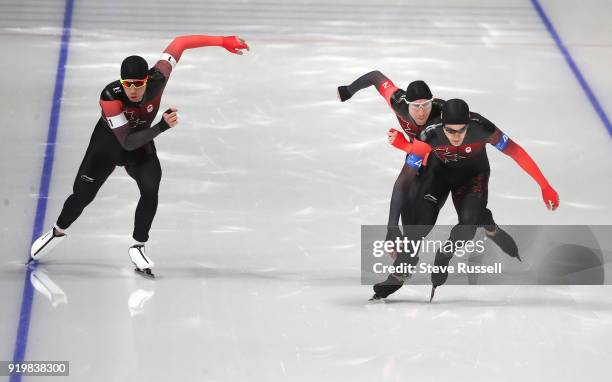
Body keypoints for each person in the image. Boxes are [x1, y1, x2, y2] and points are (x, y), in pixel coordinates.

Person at [29, 35, 250, 277]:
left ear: (147, 79)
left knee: (151, 185)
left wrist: (222, 41)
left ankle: (138, 245)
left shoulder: (160, 76)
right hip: (108, 143)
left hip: (141, 141)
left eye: (138, 84)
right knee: (82, 196)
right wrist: (161, 127)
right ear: (121, 82)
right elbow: (126, 141)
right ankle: (57, 231)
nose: (133, 90)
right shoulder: (110, 96)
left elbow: (181, 43)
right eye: (128, 84)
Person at [376, 99, 559, 301]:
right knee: (419, 223)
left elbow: (515, 151)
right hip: (439, 174)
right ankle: (400, 272)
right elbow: (404, 180)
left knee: (468, 224)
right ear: (441, 123)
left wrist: (545, 185)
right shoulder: (429, 134)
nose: (456, 137)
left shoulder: (483, 127)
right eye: (450, 131)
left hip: (472, 177)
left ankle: (445, 254)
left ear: (469, 124)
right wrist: (392, 226)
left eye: (461, 130)